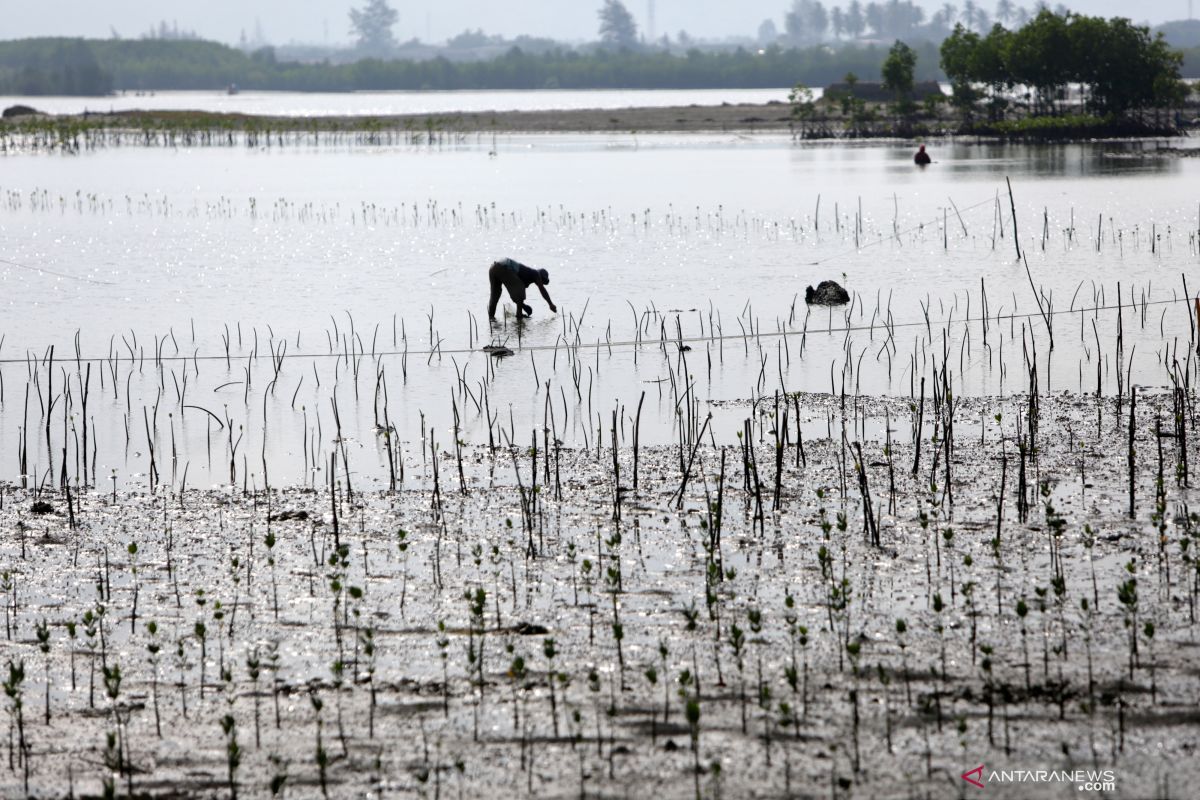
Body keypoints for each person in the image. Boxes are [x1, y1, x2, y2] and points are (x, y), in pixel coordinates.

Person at [488, 257, 556, 319]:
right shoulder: (536, 273)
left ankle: (491, 320)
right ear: (540, 276)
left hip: (493, 268)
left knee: (495, 296)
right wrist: (550, 304)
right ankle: (519, 316)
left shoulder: (523, 276)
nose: (541, 283)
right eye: (542, 280)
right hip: (504, 266)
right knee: (520, 289)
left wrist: (524, 306)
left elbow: (515, 295)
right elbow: (542, 289)